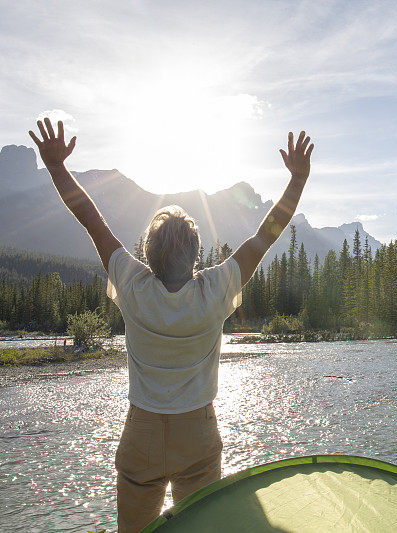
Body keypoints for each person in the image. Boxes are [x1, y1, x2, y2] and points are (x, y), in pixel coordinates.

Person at [28, 118, 314, 532]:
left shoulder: (133, 284)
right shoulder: (214, 289)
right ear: (197, 254)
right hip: (197, 433)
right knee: (201, 527)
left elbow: (91, 219)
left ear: (149, 253)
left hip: (141, 430)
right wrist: (297, 180)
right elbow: (263, 237)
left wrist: (57, 167)